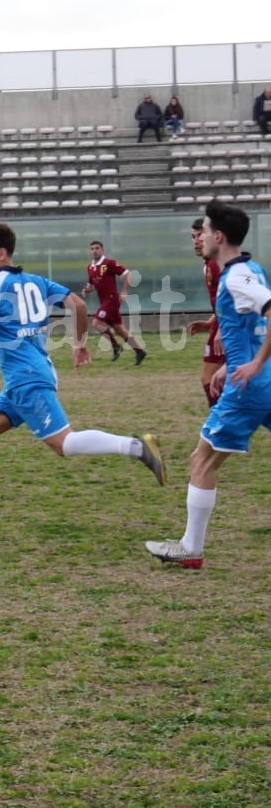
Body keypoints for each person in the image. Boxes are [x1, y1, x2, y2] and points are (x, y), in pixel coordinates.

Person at [0, 220, 167, 528]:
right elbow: (78, 304)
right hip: (32, 375)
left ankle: (138, 448)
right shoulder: (36, 281)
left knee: (64, 444)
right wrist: (79, 344)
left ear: (1, 254)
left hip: (27, 378)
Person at [146, 201, 271, 570]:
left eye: (202, 229)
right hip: (256, 379)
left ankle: (191, 548)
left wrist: (253, 363)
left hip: (249, 389)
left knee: (201, 460)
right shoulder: (250, 269)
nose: (198, 237)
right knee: (203, 458)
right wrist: (235, 362)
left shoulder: (234, 277)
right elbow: (252, 325)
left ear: (219, 236)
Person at [81, 240, 147, 365]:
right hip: (104, 302)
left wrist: (124, 291)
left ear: (102, 250)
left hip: (112, 299)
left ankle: (116, 346)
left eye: (97, 248)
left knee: (96, 323)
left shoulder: (109, 263)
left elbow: (126, 273)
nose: (94, 251)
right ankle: (140, 352)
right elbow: (91, 285)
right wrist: (86, 290)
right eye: (92, 249)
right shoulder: (90, 267)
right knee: (119, 329)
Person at [185, 217, 225, 408]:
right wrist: (211, 322)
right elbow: (221, 299)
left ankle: (221, 425)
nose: (196, 241)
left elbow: (231, 298)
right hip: (221, 323)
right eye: (193, 237)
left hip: (227, 325)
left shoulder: (217, 264)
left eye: (200, 235)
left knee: (210, 378)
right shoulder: (208, 263)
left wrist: (221, 329)